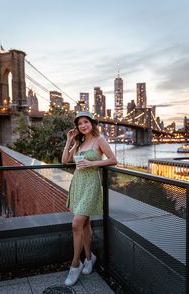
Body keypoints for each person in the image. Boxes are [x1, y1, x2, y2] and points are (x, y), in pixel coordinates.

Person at [61, 111, 117, 286]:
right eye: (79, 124)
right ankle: (88, 257)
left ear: (91, 123)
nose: (83, 126)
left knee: (76, 223)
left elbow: (113, 160)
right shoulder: (79, 143)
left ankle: (75, 264)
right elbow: (64, 160)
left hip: (92, 184)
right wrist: (69, 141)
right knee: (84, 224)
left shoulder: (99, 140)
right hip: (78, 183)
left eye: (85, 122)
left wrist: (92, 163)